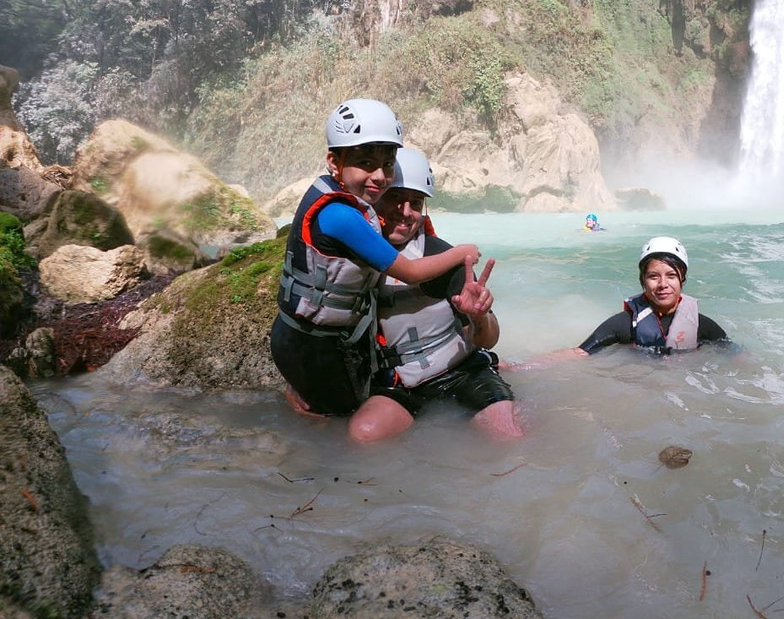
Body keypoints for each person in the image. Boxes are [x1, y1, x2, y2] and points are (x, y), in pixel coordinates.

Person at [270, 99, 481, 442]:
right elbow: (410, 272)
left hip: (303, 336)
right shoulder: (341, 217)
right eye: (365, 163)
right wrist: (462, 252)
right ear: (334, 162)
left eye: (387, 164)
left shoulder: (336, 198)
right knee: (334, 425)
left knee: (333, 420)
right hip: (313, 348)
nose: (379, 176)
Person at [348, 148, 523, 441]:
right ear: (375, 197)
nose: (405, 213)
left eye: (415, 203)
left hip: (462, 370)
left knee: (507, 434)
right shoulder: (350, 259)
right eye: (395, 198)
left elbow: (488, 338)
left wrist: (477, 316)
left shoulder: (443, 256)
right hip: (400, 381)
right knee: (363, 435)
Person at [509, 236, 733, 366]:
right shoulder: (625, 323)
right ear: (642, 281)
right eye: (653, 276)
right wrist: (520, 368)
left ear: (682, 279)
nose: (663, 284)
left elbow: (736, 354)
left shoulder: (701, 325)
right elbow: (579, 352)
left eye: (671, 276)